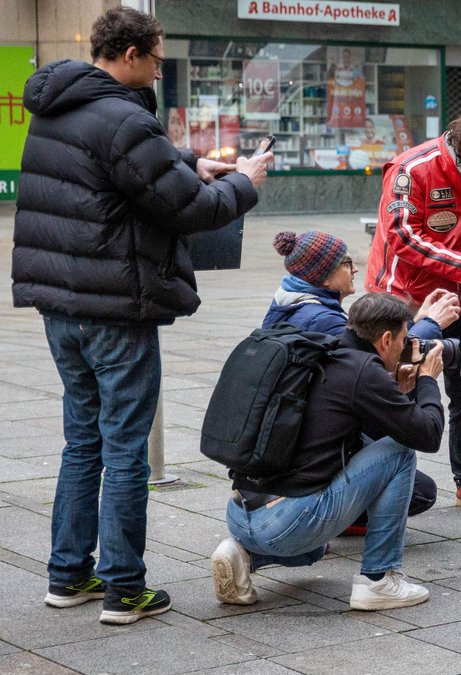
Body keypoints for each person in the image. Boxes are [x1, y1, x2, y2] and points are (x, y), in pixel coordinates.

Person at [11, 7, 270, 624]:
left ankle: (67, 575)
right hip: (116, 307)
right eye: (155, 59)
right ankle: (124, 588)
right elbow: (189, 209)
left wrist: (185, 160)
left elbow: (112, 162)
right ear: (129, 54)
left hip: (61, 304)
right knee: (126, 449)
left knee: (83, 442)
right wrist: (244, 182)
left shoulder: (59, 103)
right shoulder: (126, 117)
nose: (158, 70)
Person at [211, 292, 444, 610]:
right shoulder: (363, 370)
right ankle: (379, 579)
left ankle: (244, 554)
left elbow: (359, 426)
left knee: (317, 548)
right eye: (405, 339)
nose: (407, 347)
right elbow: (427, 435)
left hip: (241, 515)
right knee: (400, 452)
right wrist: (428, 380)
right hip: (286, 524)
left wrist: (396, 394)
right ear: (386, 339)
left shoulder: (323, 351)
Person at [365, 107, 461, 517]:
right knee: (393, 393)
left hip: (460, 300)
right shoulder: (413, 169)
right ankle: (372, 483)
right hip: (403, 303)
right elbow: (400, 235)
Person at [263, 229, 460, 529]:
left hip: (294, 431)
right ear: (324, 277)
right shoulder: (321, 320)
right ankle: (338, 522)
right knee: (418, 488)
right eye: (346, 263)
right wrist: (431, 327)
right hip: (312, 445)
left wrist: (411, 322)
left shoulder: (294, 303)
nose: (355, 268)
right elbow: (372, 359)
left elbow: (374, 343)